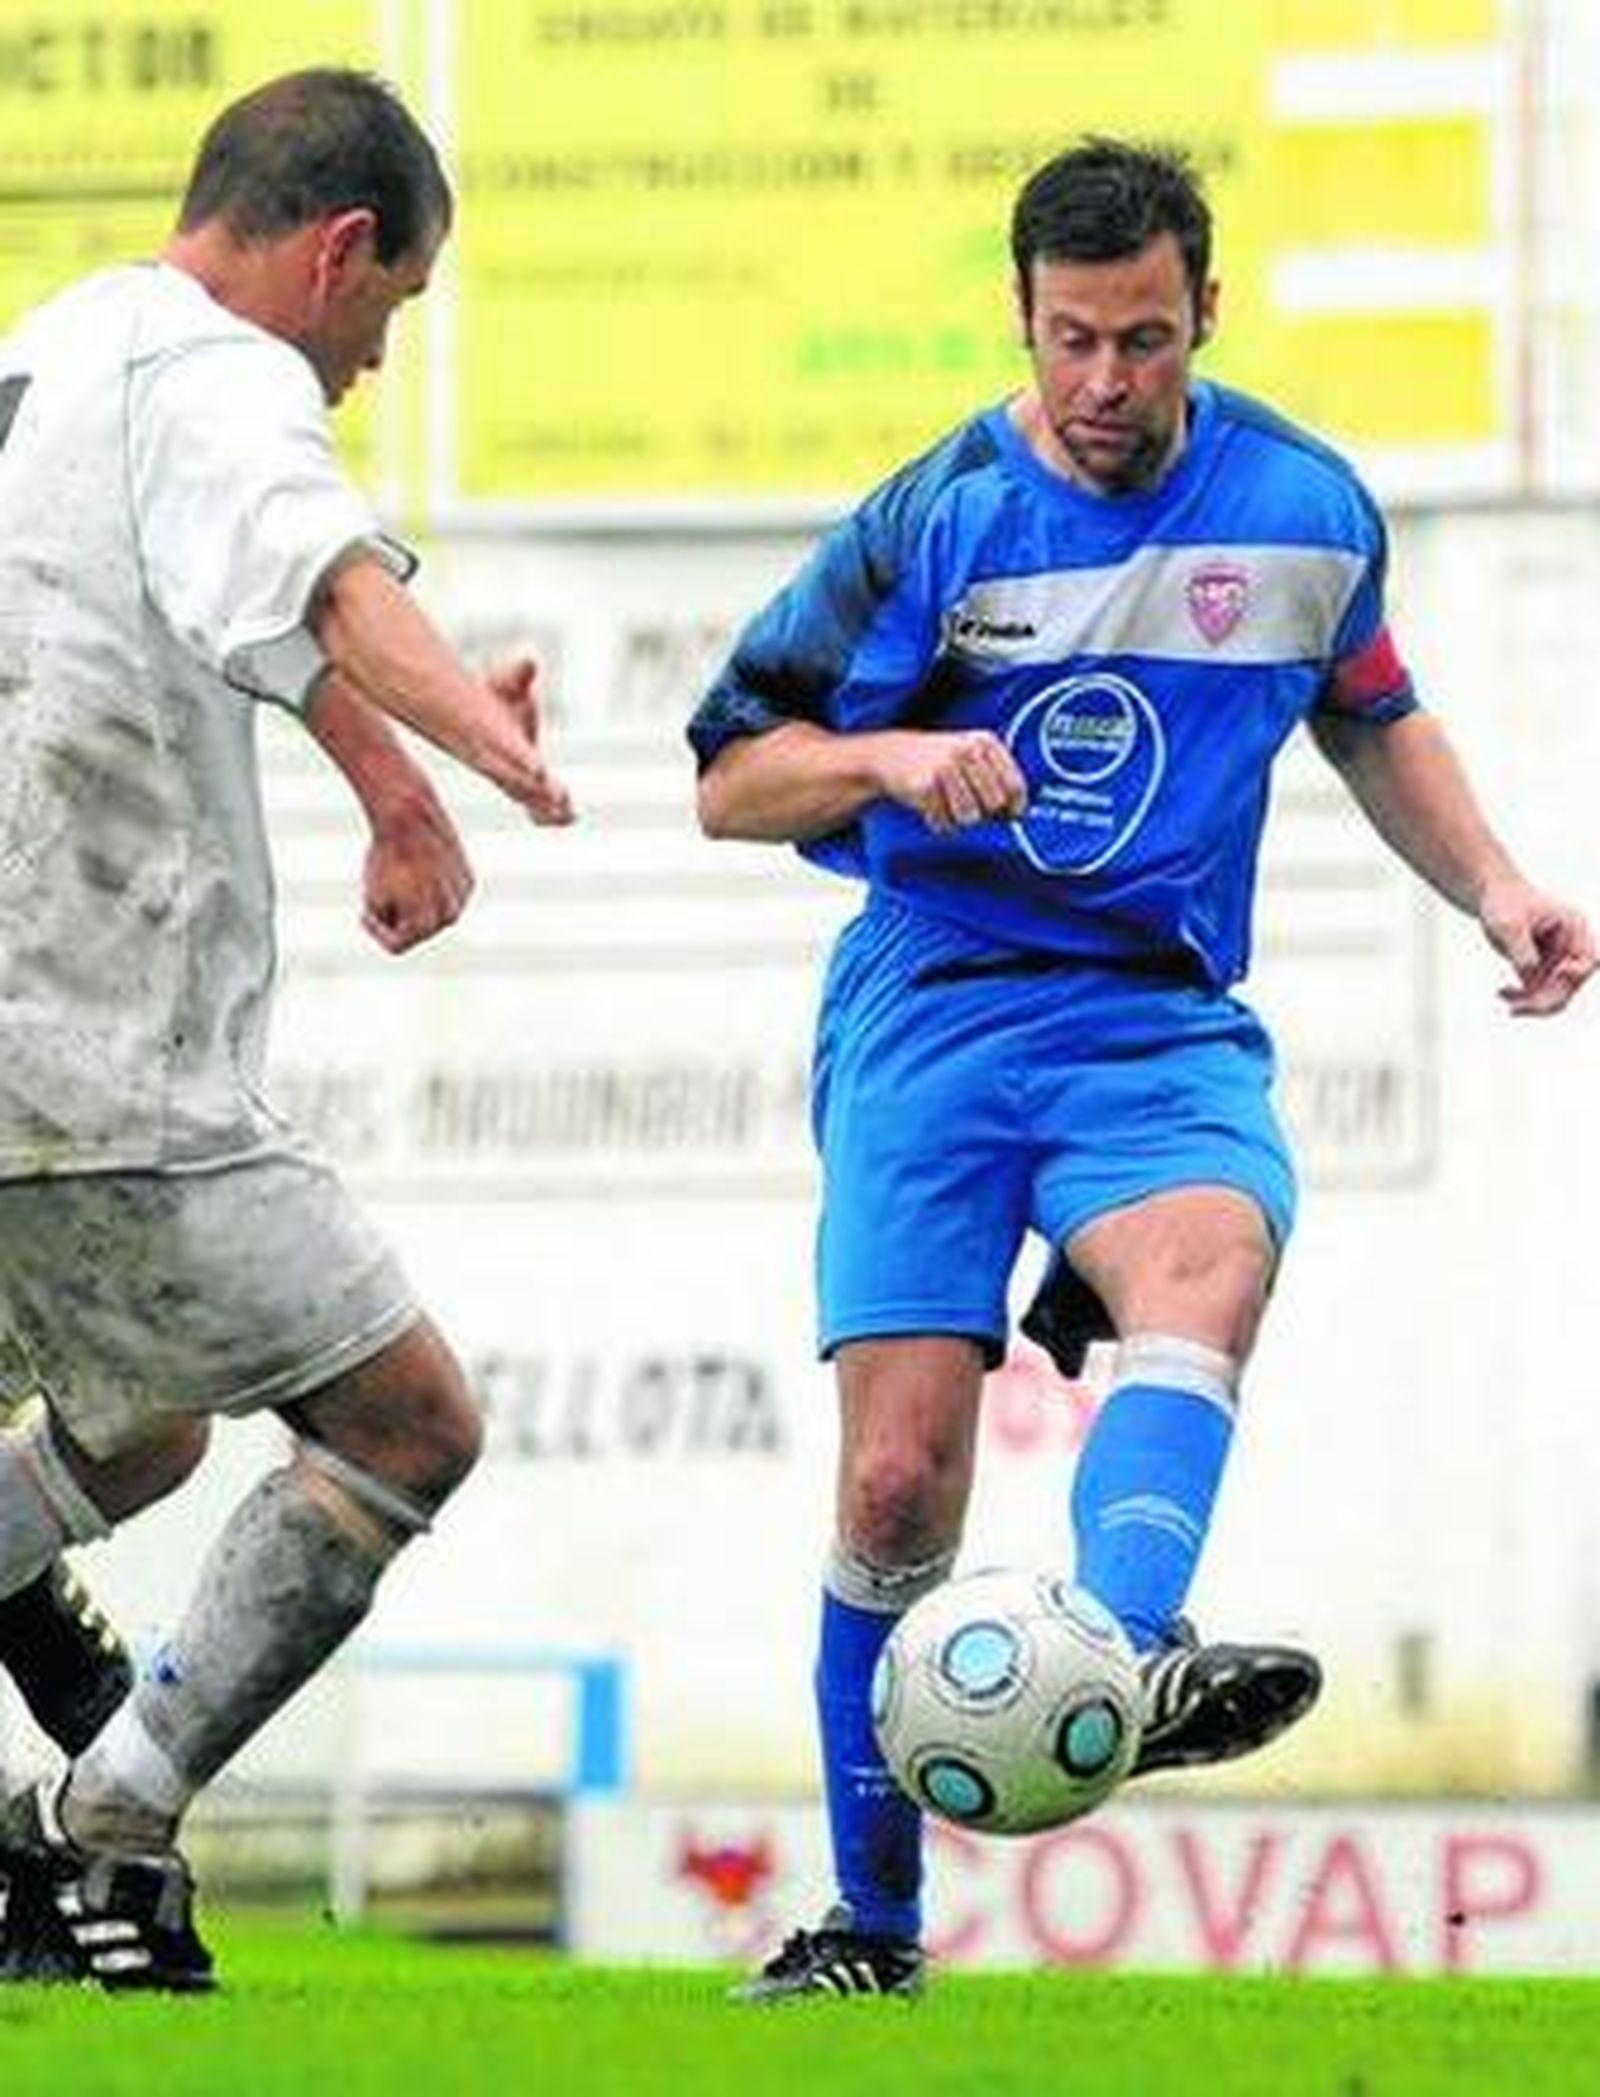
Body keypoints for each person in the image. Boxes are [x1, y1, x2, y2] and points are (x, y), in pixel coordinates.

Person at [688, 136, 1596, 2002]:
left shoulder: (1305, 511)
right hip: (937, 998)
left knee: (1212, 1259)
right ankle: (871, 1923)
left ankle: (1124, 1645)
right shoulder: (937, 519)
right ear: (1022, 321)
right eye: (1075, 340)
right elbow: (729, 776)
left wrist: (1498, 885)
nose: (1107, 382)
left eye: (1147, 339)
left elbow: (1375, 717)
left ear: (1207, 315)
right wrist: (888, 758)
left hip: (1151, 1014)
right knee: (898, 1487)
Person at [0, 67, 573, 1991]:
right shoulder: (225, 376)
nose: (369, 363)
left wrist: (388, 789)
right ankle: (101, 1832)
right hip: (93, 1068)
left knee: (141, 1427)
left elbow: (226, 613)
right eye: (387, 312)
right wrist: (481, 743)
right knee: (407, 1420)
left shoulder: (55, 353)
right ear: (338, 251)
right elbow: (321, 585)